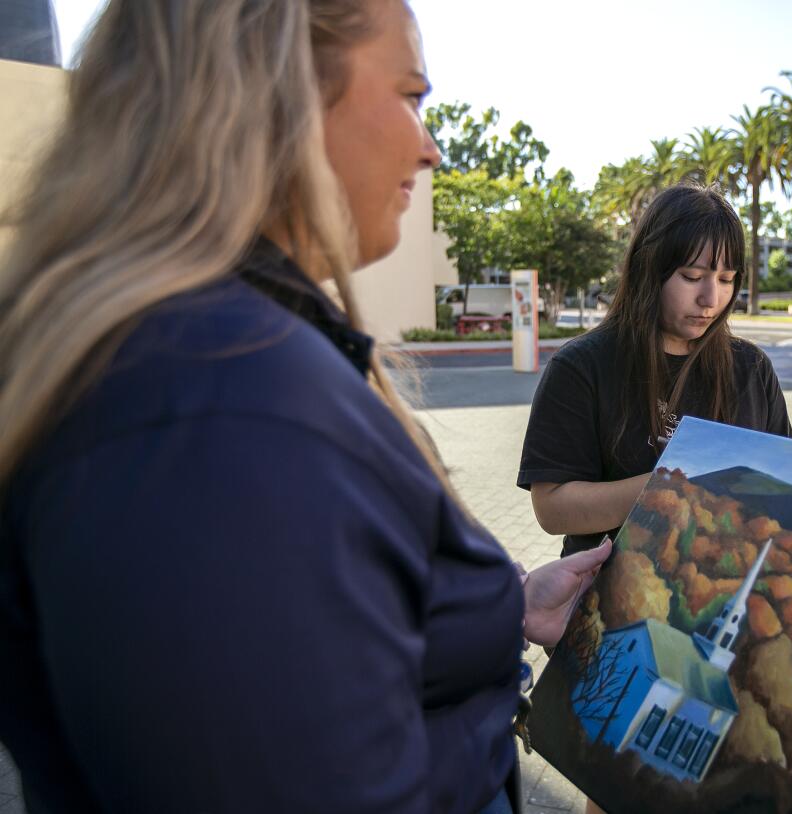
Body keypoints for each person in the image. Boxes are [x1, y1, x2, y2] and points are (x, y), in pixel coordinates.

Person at [0, 2, 609, 813]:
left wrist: (503, 606)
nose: (430, 147)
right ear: (280, 88)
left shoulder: (203, 357)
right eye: (411, 94)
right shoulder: (216, 405)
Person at [518, 183, 792, 556]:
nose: (711, 299)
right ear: (649, 268)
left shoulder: (752, 368)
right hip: (613, 600)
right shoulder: (581, 367)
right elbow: (552, 508)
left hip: (727, 584)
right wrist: (670, 488)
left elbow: (785, 474)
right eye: (692, 277)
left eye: (727, 280)